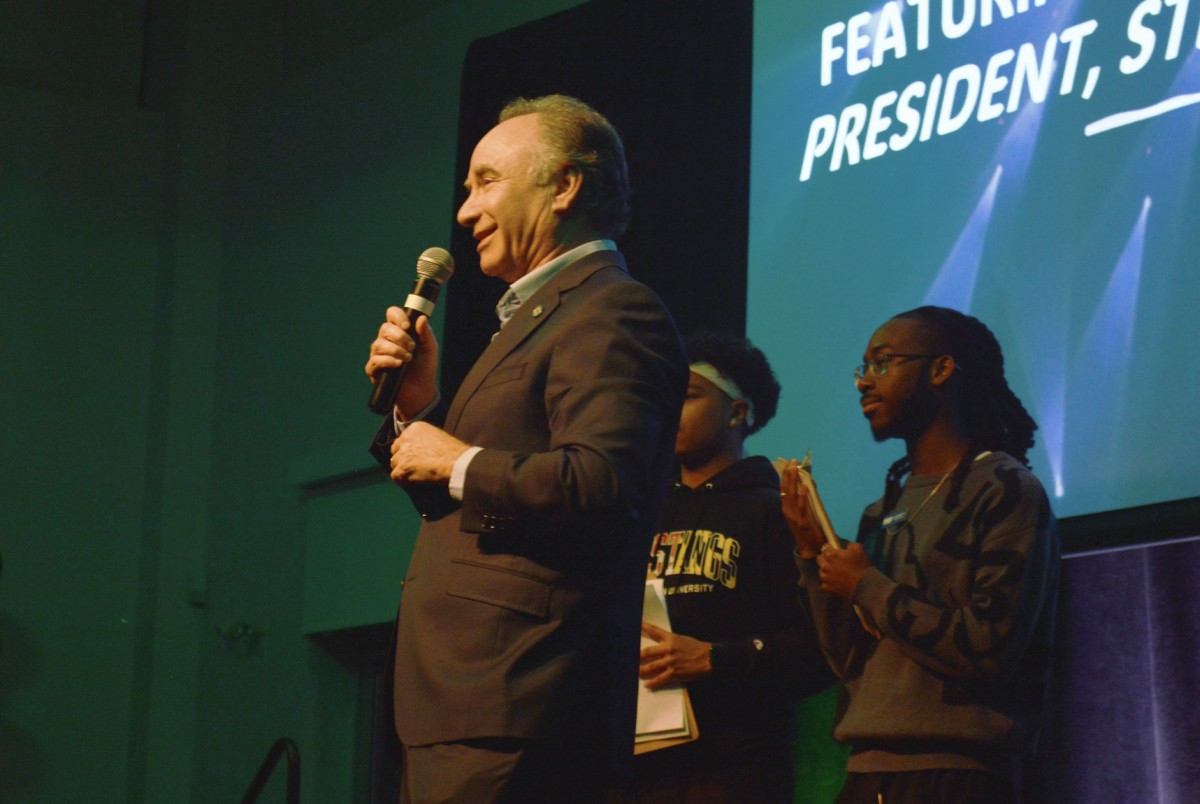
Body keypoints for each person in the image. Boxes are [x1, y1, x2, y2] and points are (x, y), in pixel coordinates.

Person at [364, 95, 688, 804]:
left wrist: (458, 461)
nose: (464, 211)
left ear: (565, 186)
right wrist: (418, 405)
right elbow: (446, 495)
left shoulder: (611, 309)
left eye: (486, 182)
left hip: (520, 697)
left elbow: (602, 485)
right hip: (463, 701)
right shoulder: (533, 319)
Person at [781, 306, 1059, 804]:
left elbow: (988, 646)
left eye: (883, 363)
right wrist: (810, 554)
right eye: (863, 368)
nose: (865, 382)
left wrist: (867, 584)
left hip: (957, 773)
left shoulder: (1004, 488)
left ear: (941, 369)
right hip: (867, 772)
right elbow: (850, 661)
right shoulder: (882, 508)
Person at [617, 332, 833, 804]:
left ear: (738, 412)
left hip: (734, 770)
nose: (669, 409)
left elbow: (820, 652)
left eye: (689, 396)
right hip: (635, 768)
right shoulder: (640, 513)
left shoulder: (776, 512)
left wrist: (717, 658)